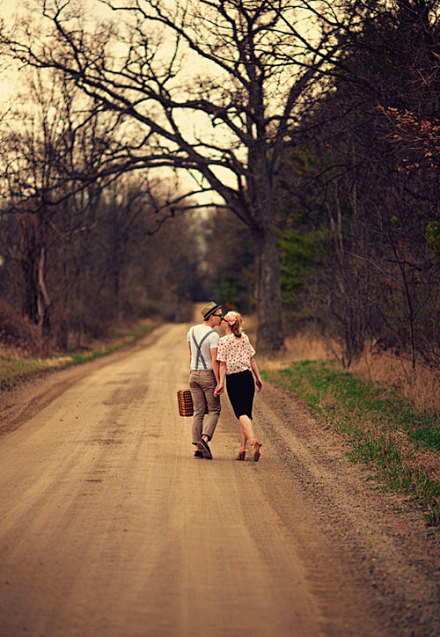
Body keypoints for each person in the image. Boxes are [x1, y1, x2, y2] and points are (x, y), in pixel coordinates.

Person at [214, 311, 263, 461]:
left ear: (227, 324)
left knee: (240, 414)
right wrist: (258, 378)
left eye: (224, 318)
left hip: (234, 380)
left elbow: (222, 365)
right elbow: (251, 359)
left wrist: (221, 383)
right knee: (246, 415)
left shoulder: (223, 341)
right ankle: (242, 449)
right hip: (247, 377)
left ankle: (253, 442)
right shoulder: (244, 337)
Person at [187, 301, 223, 459]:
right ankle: (205, 438)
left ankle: (197, 448)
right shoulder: (214, 336)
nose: (221, 318)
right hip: (208, 375)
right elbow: (215, 361)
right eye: (219, 316)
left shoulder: (192, 330)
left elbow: (190, 355)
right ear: (211, 316)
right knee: (214, 410)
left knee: (198, 411)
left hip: (193, 374)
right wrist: (219, 381)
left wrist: (192, 371)